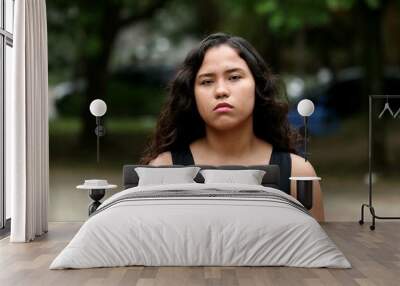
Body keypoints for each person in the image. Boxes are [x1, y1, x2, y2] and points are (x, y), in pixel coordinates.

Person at [140, 33, 325, 222]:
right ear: (191, 94)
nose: (221, 90)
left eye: (234, 77)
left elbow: (316, 248)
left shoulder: (298, 173)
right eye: (207, 81)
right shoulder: (163, 168)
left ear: (257, 85)